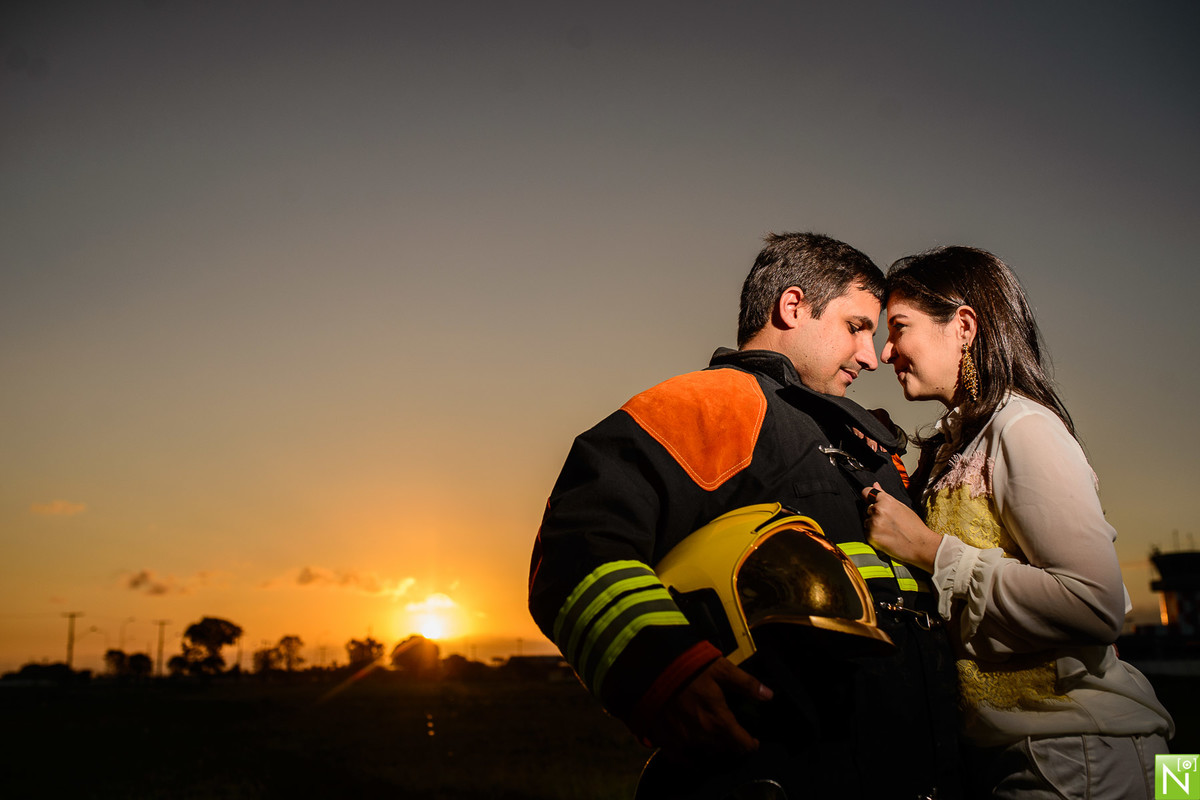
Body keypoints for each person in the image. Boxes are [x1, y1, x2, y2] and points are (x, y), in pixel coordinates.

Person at [528, 232, 962, 799]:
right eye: (856, 326)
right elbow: (577, 543)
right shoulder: (714, 403)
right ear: (793, 306)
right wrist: (661, 672)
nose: (869, 355)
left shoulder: (867, 441)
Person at [862, 246, 1174, 800]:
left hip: (1089, 759)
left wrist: (934, 553)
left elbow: (1095, 604)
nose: (886, 352)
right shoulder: (962, 445)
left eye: (899, 328)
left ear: (963, 326)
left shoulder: (1024, 427)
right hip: (1046, 755)